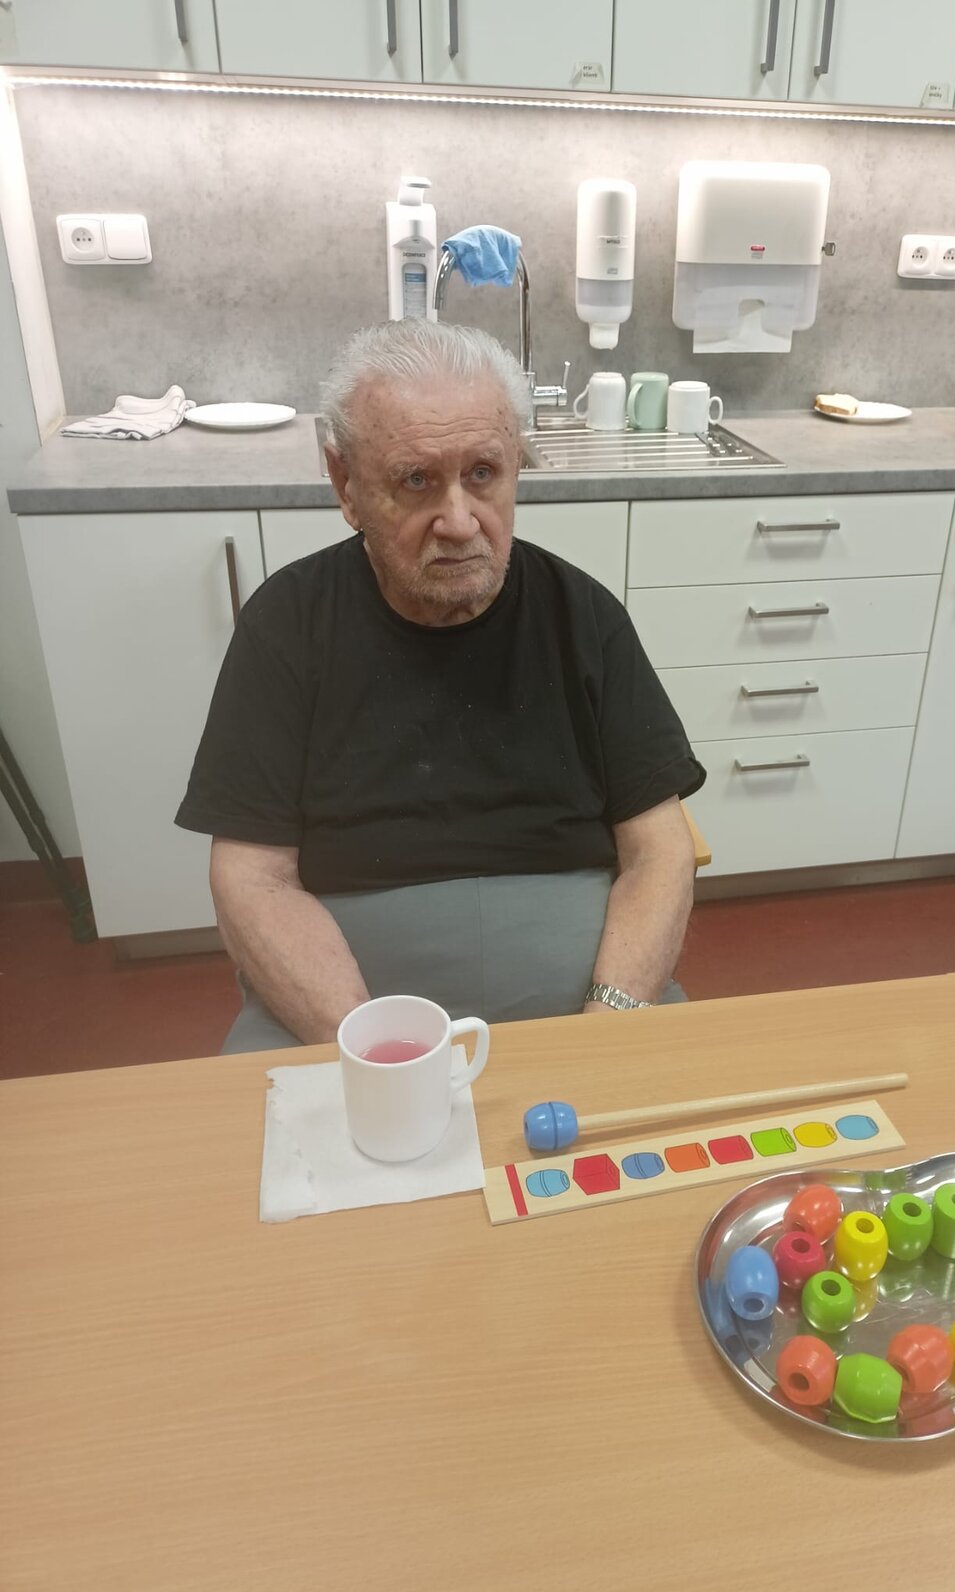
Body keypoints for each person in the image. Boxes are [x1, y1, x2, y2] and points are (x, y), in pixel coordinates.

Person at [176, 319, 705, 1052]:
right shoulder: (288, 625)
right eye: (417, 480)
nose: (458, 522)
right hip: (341, 1015)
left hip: (594, 1008)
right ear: (346, 485)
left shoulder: (583, 616)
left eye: (482, 473)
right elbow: (251, 877)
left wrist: (605, 1033)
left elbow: (659, 850)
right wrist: (375, 1051)